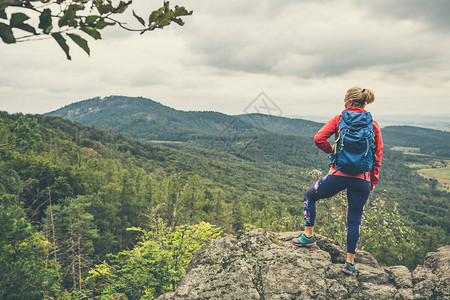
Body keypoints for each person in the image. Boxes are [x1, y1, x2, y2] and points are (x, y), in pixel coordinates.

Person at [291, 87, 383, 275]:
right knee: (354, 221)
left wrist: (333, 152)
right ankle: (349, 262)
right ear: (365, 103)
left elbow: (318, 139)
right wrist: (373, 181)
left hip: (337, 176)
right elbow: (377, 155)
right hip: (362, 180)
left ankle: (308, 236)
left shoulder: (339, 119)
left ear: (349, 101)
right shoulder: (373, 125)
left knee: (310, 195)